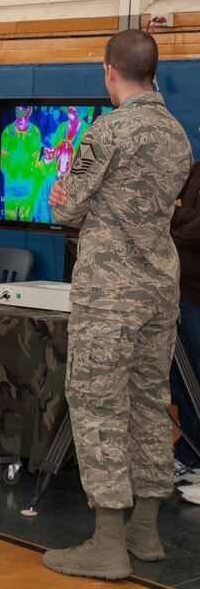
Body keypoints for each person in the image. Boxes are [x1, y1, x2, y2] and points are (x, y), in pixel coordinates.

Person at [42, 30, 193, 579]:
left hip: (110, 295)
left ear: (109, 71)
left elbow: (67, 208)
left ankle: (107, 542)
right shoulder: (177, 134)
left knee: (96, 403)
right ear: (153, 71)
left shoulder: (108, 131)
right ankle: (145, 531)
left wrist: (67, 197)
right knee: (151, 403)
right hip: (160, 288)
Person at [170, 161, 200, 494]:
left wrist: (177, 216)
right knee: (182, 382)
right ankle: (189, 454)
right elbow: (166, 207)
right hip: (179, 294)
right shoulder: (192, 170)